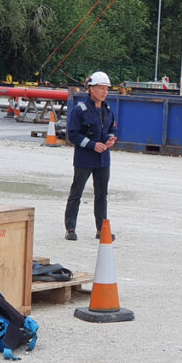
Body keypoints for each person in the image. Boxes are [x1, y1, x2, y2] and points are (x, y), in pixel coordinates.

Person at [64, 71, 117, 241]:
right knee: (76, 193)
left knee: (102, 195)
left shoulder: (107, 109)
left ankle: (101, 229)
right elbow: (73, 134)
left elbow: (111, 129)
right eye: (101, 88)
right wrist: (92, 145)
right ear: (91, 88)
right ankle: (70, 228)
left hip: (103, 159)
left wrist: (110, 139)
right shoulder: (81, 110)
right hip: (85, 158)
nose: (104, 92)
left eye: (106, 89)